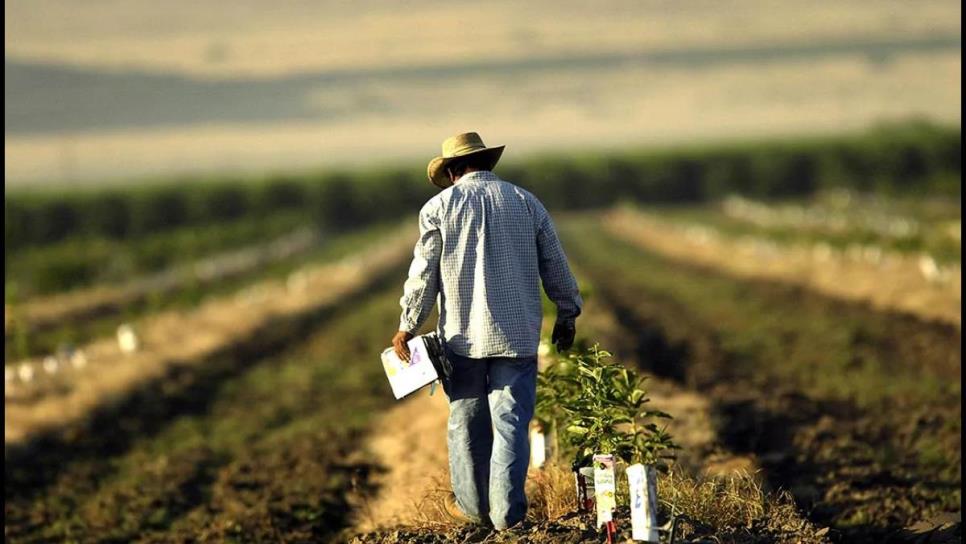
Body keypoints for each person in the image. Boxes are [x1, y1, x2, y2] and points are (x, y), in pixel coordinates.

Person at [391, 131, 583, 531]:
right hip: (517, 336)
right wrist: (567, 313)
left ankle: (476, 516)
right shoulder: (525, 202)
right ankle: (507, 519)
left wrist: (408, 325)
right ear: (484, 164)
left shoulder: (438, 208)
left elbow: (423, 274)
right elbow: (555, 263)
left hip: (461, 339)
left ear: (453, 170)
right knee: (512, 425)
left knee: (465, 425)